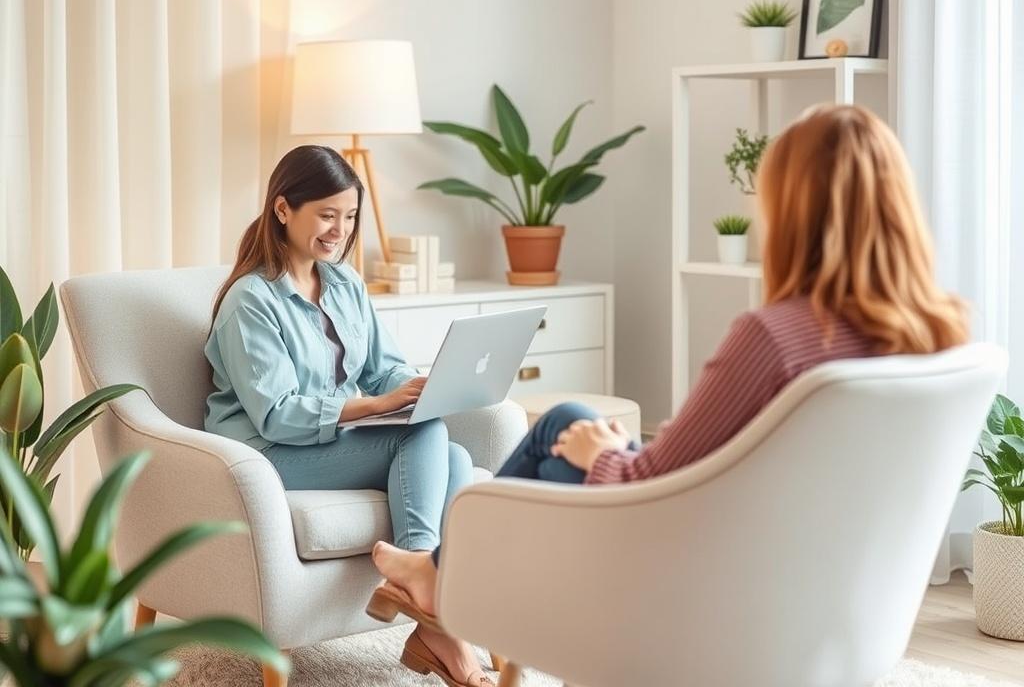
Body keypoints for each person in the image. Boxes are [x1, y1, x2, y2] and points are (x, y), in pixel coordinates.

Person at [367, 104, 969, 683]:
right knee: (572, 420)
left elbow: (646, 484)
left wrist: (598, 455)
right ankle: (439, 576)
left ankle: (443, 578)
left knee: (562, 432)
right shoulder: (939, 340)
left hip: (704, 592)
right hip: (836, 597)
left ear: (791, 211)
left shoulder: (774, 338)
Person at [204, 145, 485, 683]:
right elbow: (276, 414)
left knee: (451, 450)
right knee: (424, 435)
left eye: (350, 216)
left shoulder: (346, 284)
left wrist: (420, 387)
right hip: (264, 454)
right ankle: (420, 582)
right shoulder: (251, 300)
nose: (340, 229)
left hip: (329, 439)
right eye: (327, 214)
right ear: (283, 209)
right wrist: (377, 406)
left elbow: (382, 370)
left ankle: (434, 618)